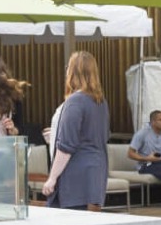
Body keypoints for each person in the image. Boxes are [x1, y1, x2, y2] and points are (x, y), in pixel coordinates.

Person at [42, 51, 110, 211]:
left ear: (72, 72)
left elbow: (66, 146)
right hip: (97, 171)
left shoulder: (74, 101)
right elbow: (98, 134)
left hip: (75, 175)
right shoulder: (100, 101)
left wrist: (52, 178)